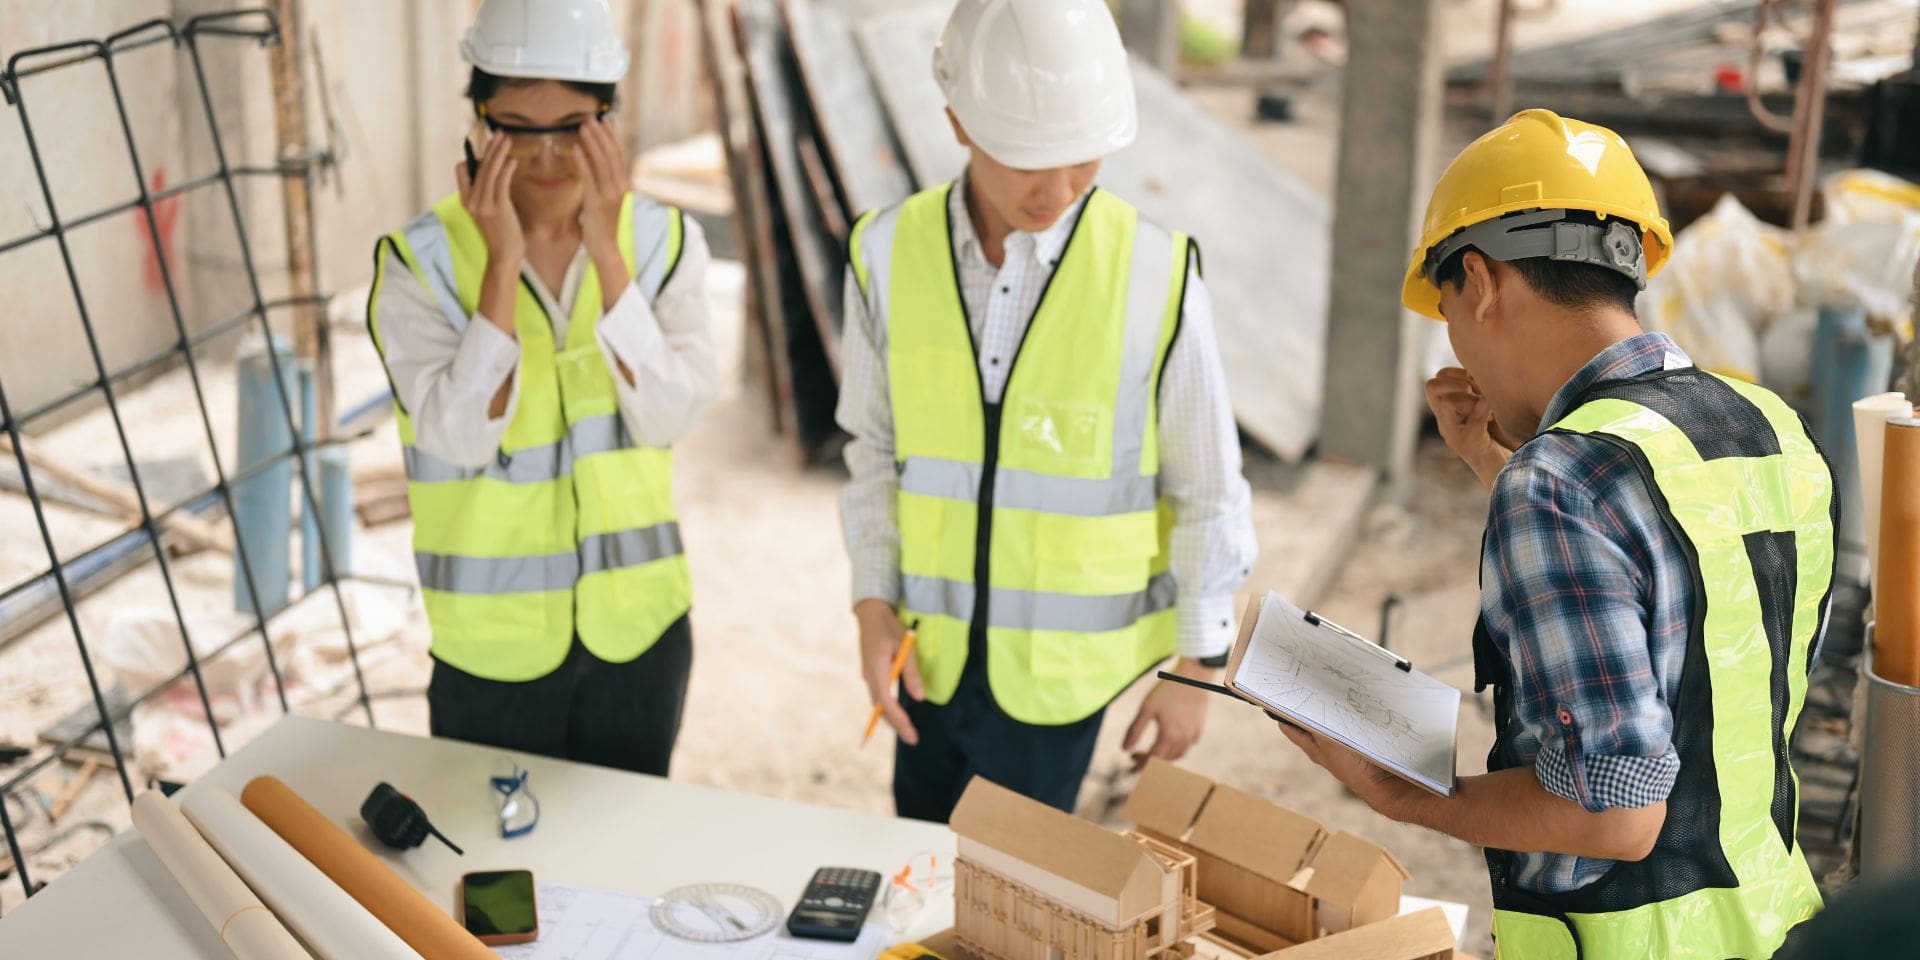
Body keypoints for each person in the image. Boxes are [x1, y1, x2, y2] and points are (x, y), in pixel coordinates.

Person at [1278, 109, 1837, 959]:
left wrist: (1406, 795)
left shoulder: (1560, 482)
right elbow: (1692, 625)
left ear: (1480, 280)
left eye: (1448, 311)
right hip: (1772, 923)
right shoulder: (1770, 428)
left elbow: (1613, 816)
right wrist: (1495, 468)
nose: (1457, 345)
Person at [837, 0, 1258, 822]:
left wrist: (1199, 668)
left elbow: (1209, 487)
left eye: (1082, 157)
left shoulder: (1155, 275)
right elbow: (874, 454)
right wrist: (871, 605)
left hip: (1061, 689)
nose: (1058, 190)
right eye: (1029, 159)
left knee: (1021, 887)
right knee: (919, 871)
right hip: (928, 660)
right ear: (958, 121)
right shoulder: (885, 255)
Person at [366, 0, 716, 775]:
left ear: (609, 119)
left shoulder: (662, 244)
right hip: (491, 653)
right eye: (519, 129)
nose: (548, 157)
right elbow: (459, 438)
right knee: (492, 855)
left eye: (573, 127)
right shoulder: (421, 264)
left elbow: (670, 416)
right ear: (480, 121)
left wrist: (609, 257)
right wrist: (501, 265)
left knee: (625, 842)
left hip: (640, 638)